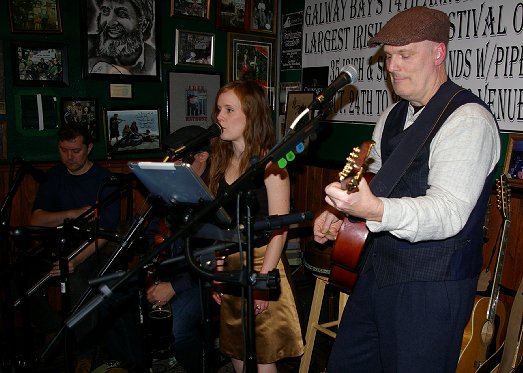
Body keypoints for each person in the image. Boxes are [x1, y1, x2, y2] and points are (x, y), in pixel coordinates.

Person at [312, 7, 500, 372]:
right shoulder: (392, 116)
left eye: (405, 55)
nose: (392, 66)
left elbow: (448, 212)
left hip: (433, 286)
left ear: (438, 53)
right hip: (378, 272)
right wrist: (343, 214)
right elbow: (379, 181)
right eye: (388, 57)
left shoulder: (468, 120)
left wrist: (375, 212)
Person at [30, 124, 145, 372]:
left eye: (75, 150)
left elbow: (104, 234)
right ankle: (54, 330)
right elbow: (36, 219)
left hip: (94, 247)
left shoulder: (105, 180)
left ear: (89, 148)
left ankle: (85, 350)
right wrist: (73, 214)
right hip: (59, 245)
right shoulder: (54, 177)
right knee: (22, 271)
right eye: (63, 150)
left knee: (80, 279)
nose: (69, 157)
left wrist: (75, 261)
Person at [209, 80, 303, 372]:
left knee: (263, 357)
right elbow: (221, 225)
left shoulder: (272, 164)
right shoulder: (222, 160)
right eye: (218, 109)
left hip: (264, 263)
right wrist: (219, 269)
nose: (219, 117)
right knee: (237, 350)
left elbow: (280, 229)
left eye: (228, 110)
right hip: (235, 264)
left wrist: (263, 283)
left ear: (250, 116)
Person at [144, 125, 211, 373]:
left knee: (178, 325)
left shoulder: (213, 188)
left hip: (203, 280)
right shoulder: (171, 185)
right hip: (173, 269)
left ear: (202, 156)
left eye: (178, 156)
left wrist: (173, 287)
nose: (170, 161)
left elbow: (213, 256)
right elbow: (152, 230)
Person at [87, 0, 156, 76]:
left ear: (144, 25)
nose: (110, 23)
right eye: (105, 11)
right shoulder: (88, 49)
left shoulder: (154, 60)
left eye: (122, 13)